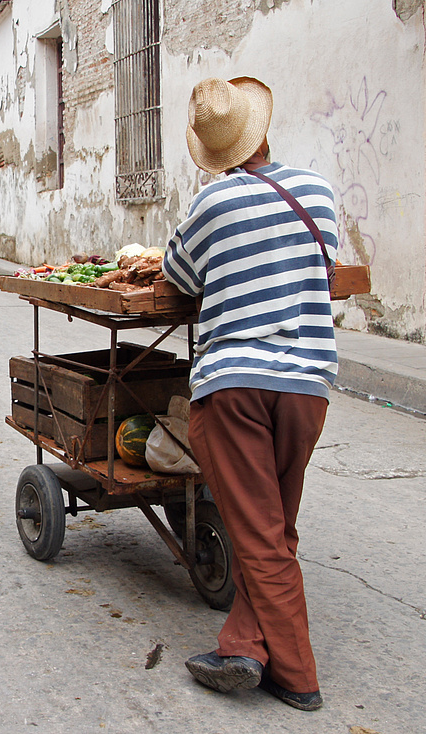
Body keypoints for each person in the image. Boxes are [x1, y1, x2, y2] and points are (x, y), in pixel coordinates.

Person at [162, 77, 337, 712]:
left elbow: (176, 274)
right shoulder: (317, 191)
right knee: (274, 525)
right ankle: (242, 645)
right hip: (307, 386)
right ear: (262, 131)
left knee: (260, 537)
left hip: (236, 385)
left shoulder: (211, 203)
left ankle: (297, 674)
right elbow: (327, 266)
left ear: (211, 150)